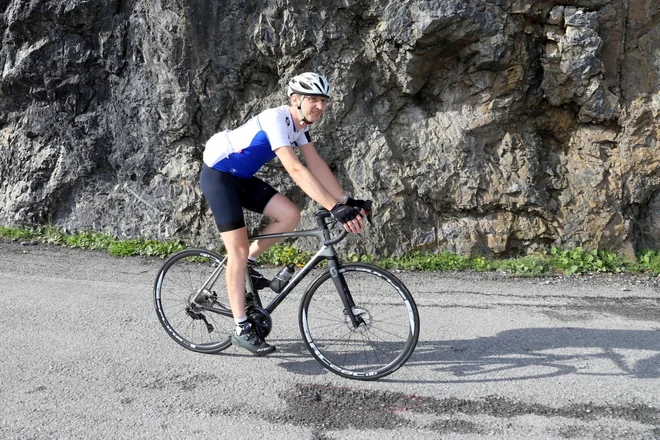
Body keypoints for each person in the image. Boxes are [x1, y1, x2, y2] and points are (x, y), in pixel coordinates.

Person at [200, 72, 369, 356]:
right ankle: (241, 327)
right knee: (237, 250)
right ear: (295, 99)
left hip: (242, 178)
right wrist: (334, 208)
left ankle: (248, 266)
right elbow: (295, 168)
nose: (320, 106)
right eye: (313, 99)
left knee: (290, 215)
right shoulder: (275, 119)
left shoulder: (300, 127)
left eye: (323, 100)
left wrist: (345, 199)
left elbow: (316, 165)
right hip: (218, 176)